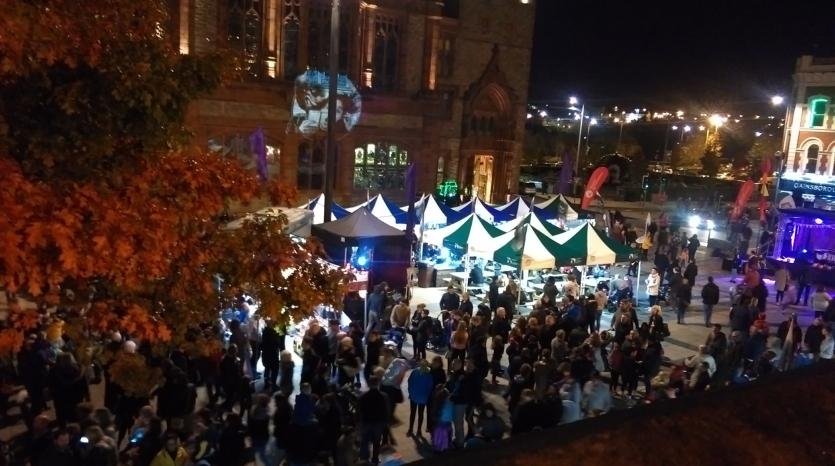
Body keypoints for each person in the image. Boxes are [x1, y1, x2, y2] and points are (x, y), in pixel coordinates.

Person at [358, 376, 390, 465]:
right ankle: (375, 459)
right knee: (376, 442)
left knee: (365, 441)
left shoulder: (362, 396)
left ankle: (364, 460)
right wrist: (385, 423)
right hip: (378, 423)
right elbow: (386, 411)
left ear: (368, 384)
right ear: (378, 384)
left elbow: (359, 411)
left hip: (366, 422)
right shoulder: (384, 396)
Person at [407, 360, 434, 436]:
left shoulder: (416, 372)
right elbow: (430, 386)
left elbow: (409, 381)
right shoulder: (427, 374)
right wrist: (410, 391)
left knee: (415, 413)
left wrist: (410, 391)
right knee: (418, 414)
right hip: (420, 397)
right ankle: (417, 430)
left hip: (416, 396)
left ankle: (412, 429)